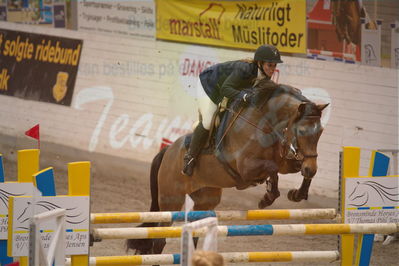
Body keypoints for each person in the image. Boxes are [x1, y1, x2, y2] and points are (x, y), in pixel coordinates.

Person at [182, 44, 283, 176]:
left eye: (274, 66)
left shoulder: (265, 76)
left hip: (226, 89)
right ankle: (190, 158)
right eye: (269, 65)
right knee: (208, 121)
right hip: (210, 85)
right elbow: (225, 89)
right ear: (260, 63)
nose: (272, 69)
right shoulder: (244, 69)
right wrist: (244, 96)